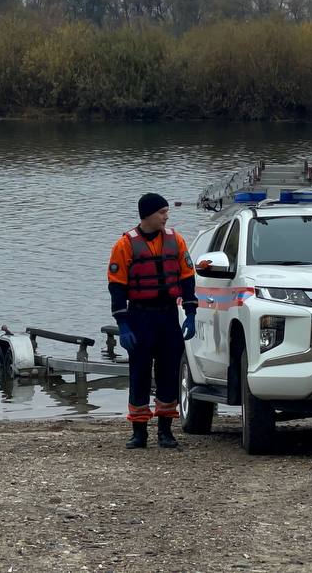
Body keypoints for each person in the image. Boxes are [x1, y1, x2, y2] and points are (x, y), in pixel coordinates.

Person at [107, 192, 198, 449]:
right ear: (147, 215)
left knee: (169, 372)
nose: (166, 217)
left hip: (168, 315)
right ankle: (139, 433)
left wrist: (190, 313)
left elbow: (187, 278)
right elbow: (116, 288)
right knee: (139, 373)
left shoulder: (176, 241)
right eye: (162, 212)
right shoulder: (125, 245)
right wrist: (123, 325)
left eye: (166, 212)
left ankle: (166, 432)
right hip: (140, 316)